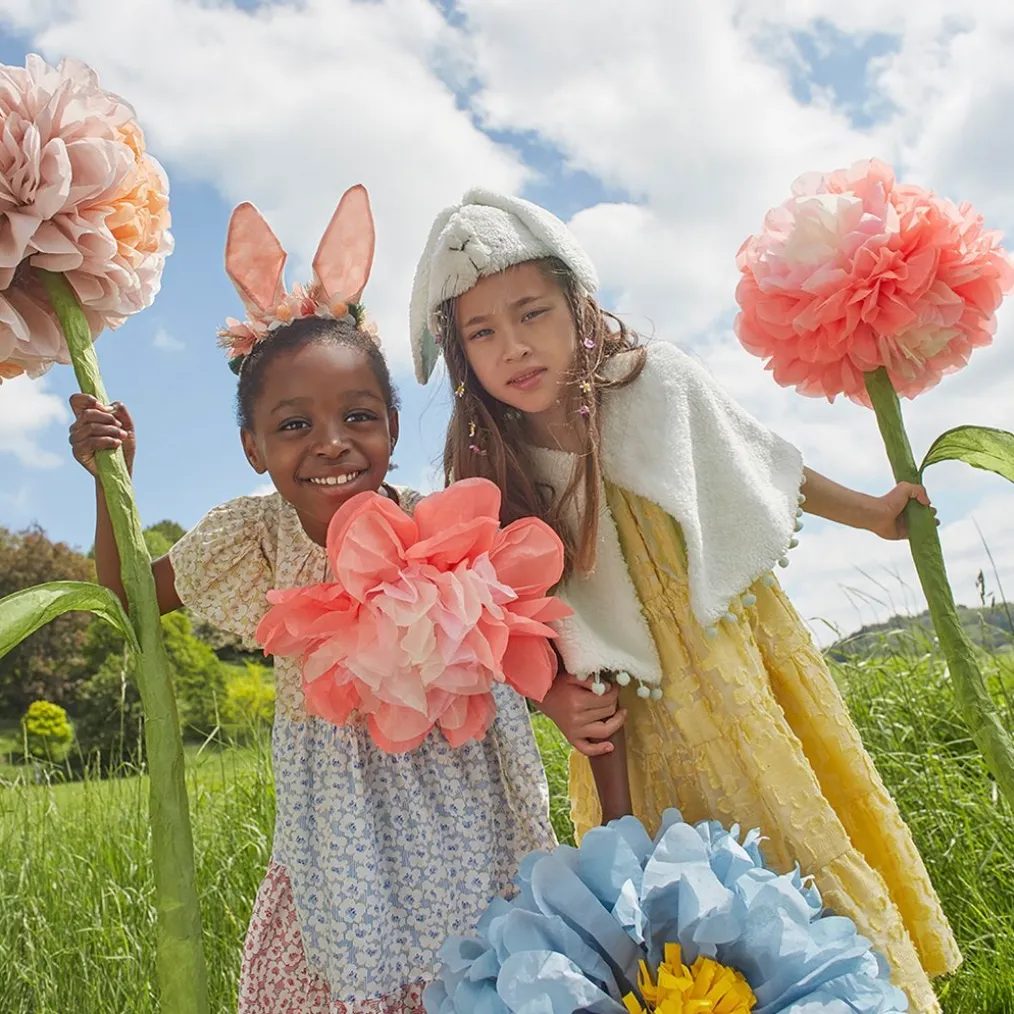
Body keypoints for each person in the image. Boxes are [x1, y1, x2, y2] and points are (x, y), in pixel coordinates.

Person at [407, 188, 961, 1013]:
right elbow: (504, 620)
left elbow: (764, 465)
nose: (514, 347)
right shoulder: (491, 468)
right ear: (459, 355)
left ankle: (853, 993)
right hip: (638, 714)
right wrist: (552, 695)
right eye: (482, 333)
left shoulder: (652, 384)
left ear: (577, 305)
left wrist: (875, 515)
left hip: (735, 669)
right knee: (668, 887)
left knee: (786, 822)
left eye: (532, 314)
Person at [68, 186, 555, 1014]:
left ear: (392, 430)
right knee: (355, 973)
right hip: (343, 829)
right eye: (294, 426)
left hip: (465, 808)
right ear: (253, 448)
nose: (331, 442)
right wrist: (111, 482)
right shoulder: (257, 540)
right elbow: (124, 597)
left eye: (357, 415)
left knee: (484, 972)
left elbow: (514, 645)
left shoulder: (439, 527)